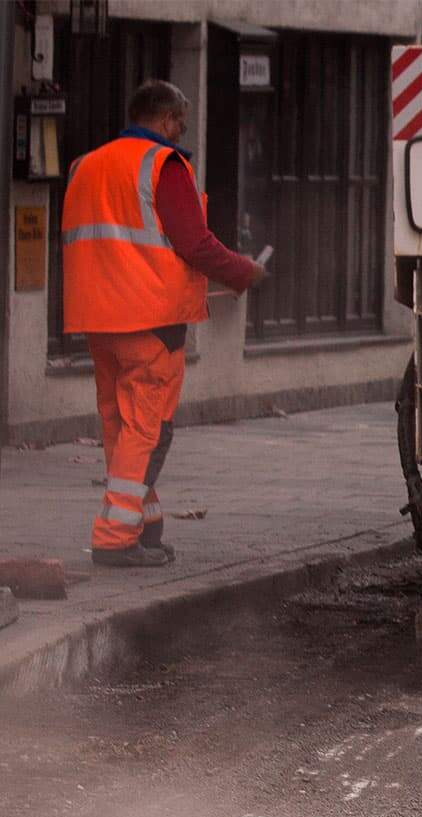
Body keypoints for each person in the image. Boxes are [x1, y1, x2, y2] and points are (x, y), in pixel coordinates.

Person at [61, 80, 265, 567]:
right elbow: (194, 243)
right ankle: (114, 538)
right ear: (169, 119)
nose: (181, 132)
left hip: (97, 317)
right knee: (146, 430)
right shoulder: (164, 165)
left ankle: (143, 521)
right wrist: (244, 271)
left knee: (119, 425)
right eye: (181, 123)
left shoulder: (86, 166)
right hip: (151, 319)